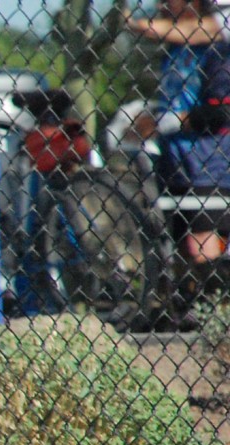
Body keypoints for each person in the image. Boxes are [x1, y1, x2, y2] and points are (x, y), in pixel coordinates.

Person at [125, 0, 230, 313]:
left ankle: (219, 314)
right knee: (183, 248)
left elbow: (221, 112)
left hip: (210, 163)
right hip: (176, 162)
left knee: (203, 245)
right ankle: (195, 311)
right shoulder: (176, 50)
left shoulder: (217, 49)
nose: (161, 5)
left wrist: (170, 120)